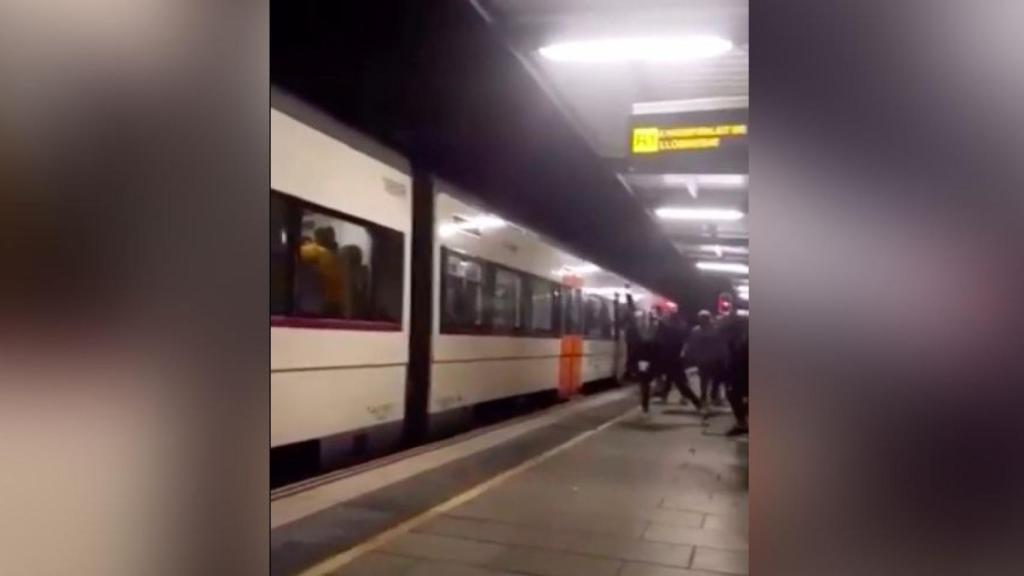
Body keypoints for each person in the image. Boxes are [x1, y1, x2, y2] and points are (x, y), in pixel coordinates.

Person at [685, 310, 729, 408]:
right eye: (701, 319)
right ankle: (707, 396)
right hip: (705, 359)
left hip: (712, 359)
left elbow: (721, 345)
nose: (702, 320)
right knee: (706, 379)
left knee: (712, 379)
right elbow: (692, 344)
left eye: (703, 318)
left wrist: (724, 355)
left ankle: (710, 396)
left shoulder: (704, 331)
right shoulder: (700, 331)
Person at [725, 332, 749, 436]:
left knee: (733, 395)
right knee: (733, 396)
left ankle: (742, 423)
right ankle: (742, 422)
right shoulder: (742, 345)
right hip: (742, 376)